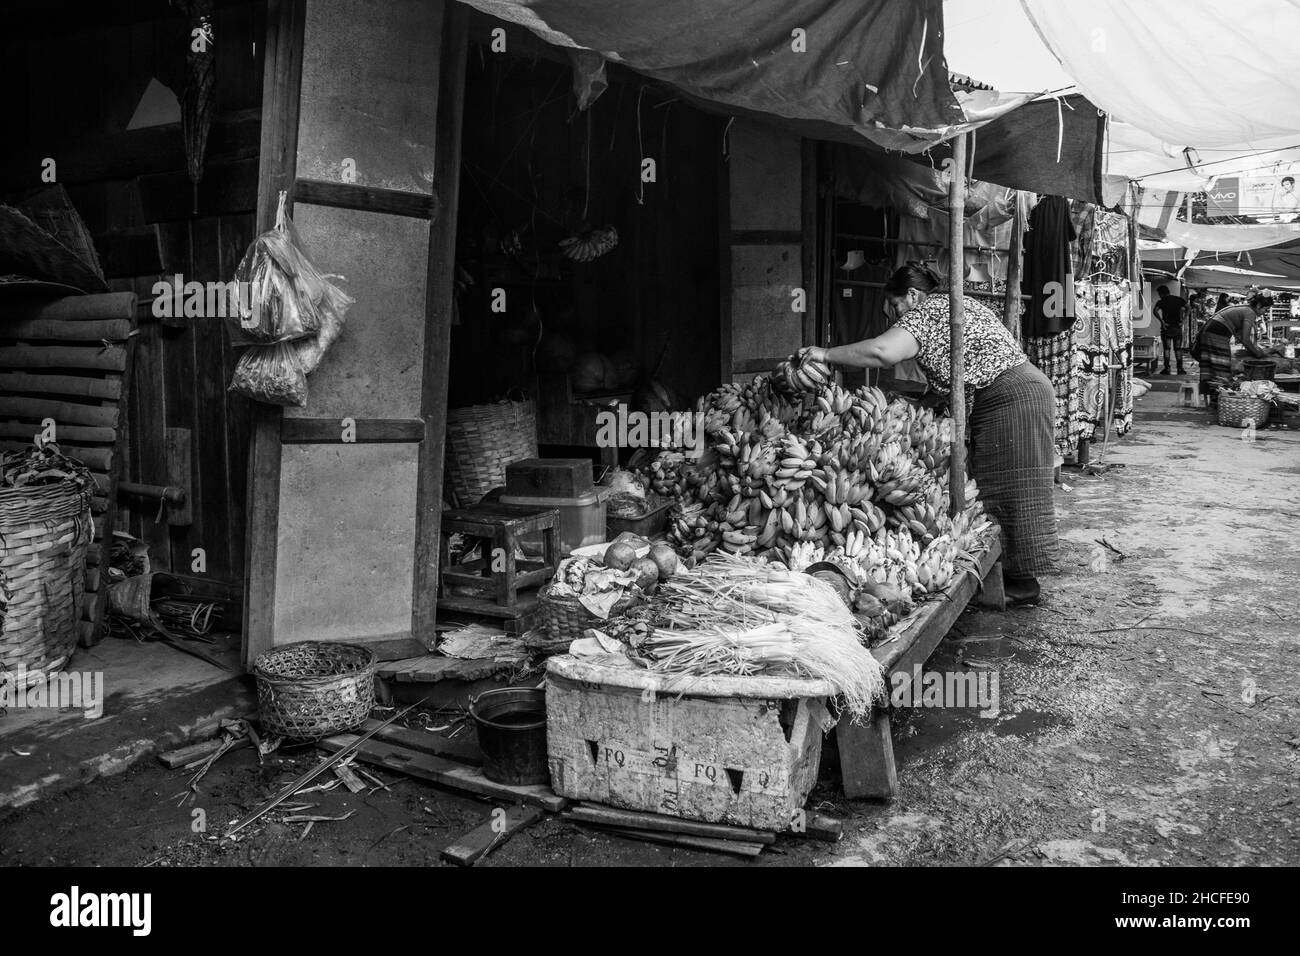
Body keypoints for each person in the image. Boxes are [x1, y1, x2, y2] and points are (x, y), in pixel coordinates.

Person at [805, 264, 1057, 606]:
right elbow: (961, 370)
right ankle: (1011, 577)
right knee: (997, 485)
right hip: (1015, 391)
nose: (895, 318)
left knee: (1010, 489)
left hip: (1010, 396)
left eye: (894, 307)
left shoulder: (928, 311)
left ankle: (1022, 584)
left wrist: (825, 354)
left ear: (911, 295)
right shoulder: (949, 307)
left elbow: (883, 352)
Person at [1194, 292, 1279, 394]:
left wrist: (1255, 349)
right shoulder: (1250, 312)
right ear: (1258, 306)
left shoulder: (1245, 309)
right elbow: (1245, 339)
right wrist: (1257, 353)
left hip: (1211, 331)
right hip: (1216, 332)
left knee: (1212, 365)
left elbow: (1241, 337)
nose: (1264, 313)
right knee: (1221, 364)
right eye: (1265, 309)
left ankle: (1214, 394)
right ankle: (1220, 395)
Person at [1152, 284, 1187, 375]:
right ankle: (1180, 369)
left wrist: (1162, 321)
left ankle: (1167, 369)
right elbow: (1188, 308)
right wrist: (1183, 320)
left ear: (1161, 293)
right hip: (1177, 328)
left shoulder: (1162, 301)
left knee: (1167, 349)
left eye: (1159, 294)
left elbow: (1155, 311)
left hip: (1166, 327)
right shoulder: (1179, 300)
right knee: (1178, 349)